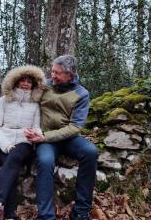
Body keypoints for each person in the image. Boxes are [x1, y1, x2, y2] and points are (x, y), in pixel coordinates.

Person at [23, 55, 98, 220]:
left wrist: (45, 136)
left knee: (91, 152)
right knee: (45, 161)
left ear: (69, 75)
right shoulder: (44, 86)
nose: (52, 75)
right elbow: (21, 96)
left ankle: (80, 211)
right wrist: (0, 107)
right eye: (52, 71)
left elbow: (75, 127)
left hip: (66, 139)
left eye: (57, 73)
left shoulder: (81, 94)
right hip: (46, 140)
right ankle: (46, 216)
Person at [0, 65, 45, 220]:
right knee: (11, 167)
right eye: (22, 80)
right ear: (16, 81)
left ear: (34, 84)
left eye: (29, 81)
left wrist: (35, 134)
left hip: (25, 142)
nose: (25, 83)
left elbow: (37, 126)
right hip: (4, 141)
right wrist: (6, 145)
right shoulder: (4, 100)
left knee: (15, 157)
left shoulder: (35, 104)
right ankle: (10, 214)